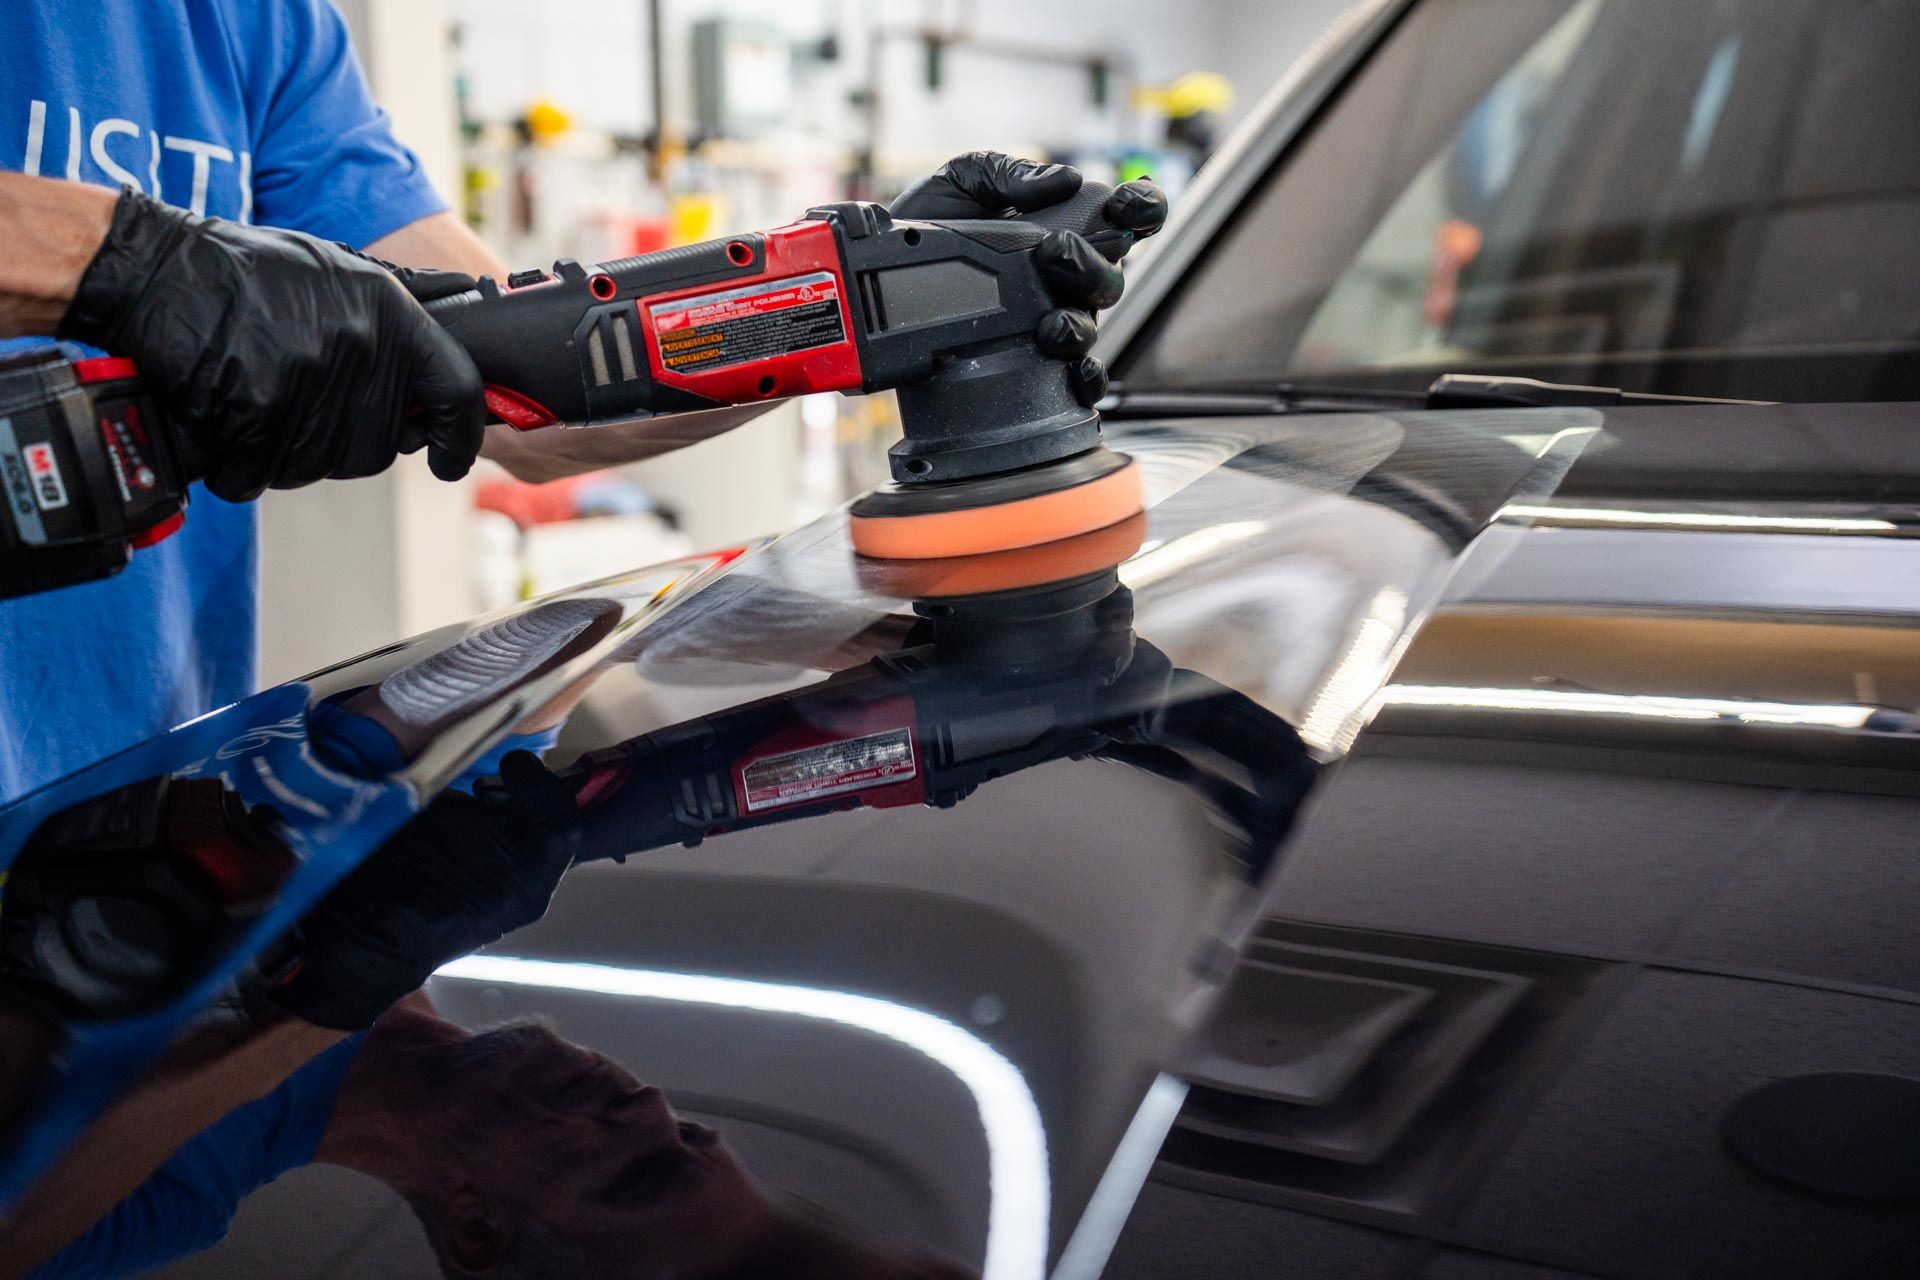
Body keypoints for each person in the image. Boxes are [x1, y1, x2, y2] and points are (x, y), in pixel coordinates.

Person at [0, 0, 1164, 803]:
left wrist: (860, 289)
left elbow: (518, 380)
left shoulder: (252, 21)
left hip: (134, 838)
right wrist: (124, 260)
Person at [23, 995, 975, 1280]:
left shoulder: (145, 1203)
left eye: (633, 1172)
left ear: (477, 1230)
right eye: (686, 1134)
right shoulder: (456, 873)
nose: (642, 1107)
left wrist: (348, 965)